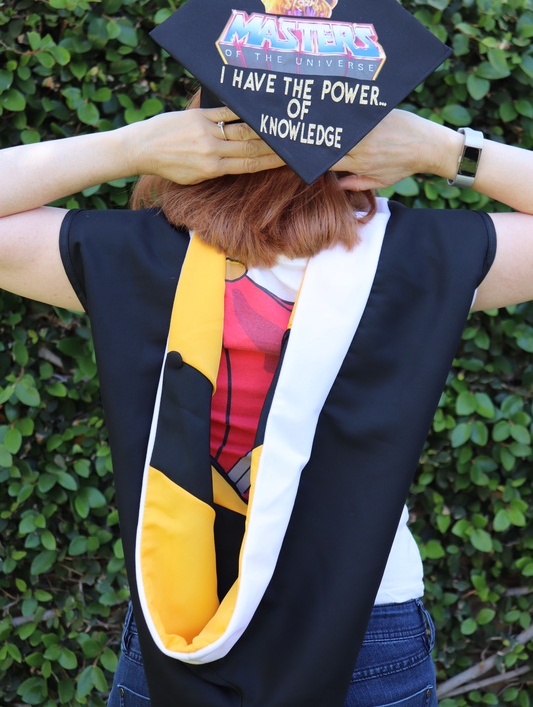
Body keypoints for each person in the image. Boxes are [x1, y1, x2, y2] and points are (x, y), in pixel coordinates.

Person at [0, 102, 532, 707]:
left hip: (183, 609)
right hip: (368, 621)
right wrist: (446, 151)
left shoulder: (134, 256)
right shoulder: (424, 258)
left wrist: (129, 147)